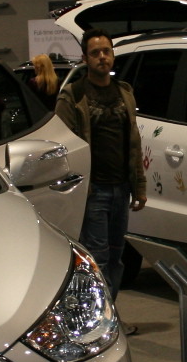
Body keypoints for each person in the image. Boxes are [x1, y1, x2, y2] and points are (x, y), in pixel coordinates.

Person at [55, 28, 147, 304]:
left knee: (117, 259)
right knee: (98, 260)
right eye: (95, 53)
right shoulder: (73, 96)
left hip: (121, 188)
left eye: (107, 51)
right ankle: (100, 324)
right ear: (85, 58)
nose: (102, 57)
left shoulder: (124, 92)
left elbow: (134, 143)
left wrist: (139, 187)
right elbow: (62, 146)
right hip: (92, 191)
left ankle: (109, 319)